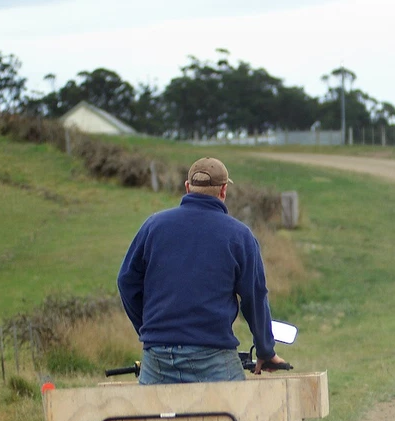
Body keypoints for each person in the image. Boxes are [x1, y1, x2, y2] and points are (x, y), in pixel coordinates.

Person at [117, 156, 287, 384]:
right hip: (212, 356)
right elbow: (254, 297)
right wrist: (266, 351)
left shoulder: (153, 226)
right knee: (241, 416)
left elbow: (126, 281)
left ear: (188, 188)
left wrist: (151, 331)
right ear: (223, 191)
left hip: (157, 357)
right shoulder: (239, 235)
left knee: (155, 418)